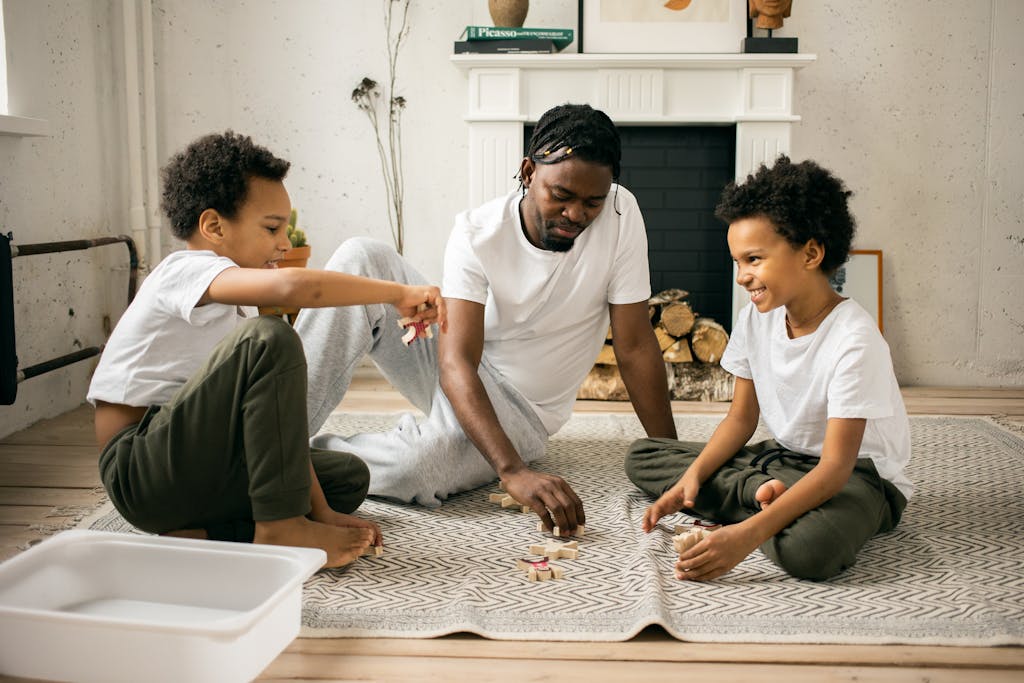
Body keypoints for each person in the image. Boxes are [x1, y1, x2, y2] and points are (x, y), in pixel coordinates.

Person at [298, 103, 677, 536]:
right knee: (360, 257)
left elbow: (633, 346)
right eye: (562, 196)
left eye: (593, 201)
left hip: (523, 410)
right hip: (460, 366)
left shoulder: (621, 214)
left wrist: (672, 458)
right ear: (529, 172)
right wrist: (510, 469)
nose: (577, 214)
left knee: (419, 470)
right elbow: (457, 360)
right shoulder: (477, 232)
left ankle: (297, 461)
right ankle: (267, 440)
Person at [87, 131, 445, 568]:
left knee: (348, 478)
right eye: (272, 228)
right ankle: (280, 528)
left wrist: (323, 512)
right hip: (140, 468)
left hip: (194, 476)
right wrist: (396, 293)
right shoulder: (182, 271)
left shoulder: (232, 311)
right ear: (214, 227)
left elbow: (275, 430)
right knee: (271, 336)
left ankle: (207, 534)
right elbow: (294, 286)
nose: (284, 244)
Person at [625, 155, 912, 581]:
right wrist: (692, 478)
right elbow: (741, 418)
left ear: (811, 253)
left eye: (754, 259)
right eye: (737, 262)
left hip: (857, 477)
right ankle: (763, 496)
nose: (742, 276)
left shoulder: (855, 340)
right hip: (781, 460)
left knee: (810, 551)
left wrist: (744, 537)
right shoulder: (756, 319)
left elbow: (834, 468)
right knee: (643, 456)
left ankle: (759, 504)